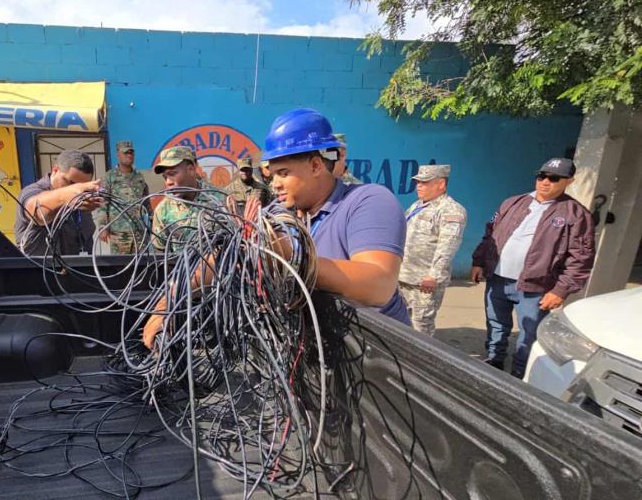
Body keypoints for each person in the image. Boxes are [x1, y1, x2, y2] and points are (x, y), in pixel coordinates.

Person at [143, 109, 410, 348]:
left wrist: (285, 256)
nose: (275, 185)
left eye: (283, 173)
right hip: (319, 354)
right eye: (272, 176)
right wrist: (166, 307)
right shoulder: (281, 213)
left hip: (376, 362)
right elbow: (221, 259)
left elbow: (378, 284)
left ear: (316, 165)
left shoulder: (367, 201)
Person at [470, 157, 595, 378]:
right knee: (496, 324)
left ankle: (520, 372)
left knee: (529, 333)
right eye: (542, 176)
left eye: (554, 178)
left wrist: (560, 290)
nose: (545, 182)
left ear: (569, 181)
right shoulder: (513, 203)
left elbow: (581, 258)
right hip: (498, 278)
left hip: (536, 286)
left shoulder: (575, 214)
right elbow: (491, 235)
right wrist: (479, 261)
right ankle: (494, 360)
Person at [398, 164, 467, 335]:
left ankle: (421, 360)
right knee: (400, 322)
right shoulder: (417, 205)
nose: (419, 186)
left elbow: (448, 245)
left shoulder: (451, 210)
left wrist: (433, 275)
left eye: (425, 182)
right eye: (418, 182)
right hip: (404, 276)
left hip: (424, 282)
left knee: (421, 326)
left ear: (441, 184)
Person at [13, 149, 102, 256]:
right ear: (55, 170)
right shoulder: (32, 192)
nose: (77, 190)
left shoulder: (81, 197)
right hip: (39, 269)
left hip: (76, 268)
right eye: (70, 183)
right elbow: (37, 211)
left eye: (82, 186)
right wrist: (68, 196)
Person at [151, 145, 223, 252]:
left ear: (190, 170)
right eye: (165, 177)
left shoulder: (220, 201)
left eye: (172, 174)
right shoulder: (163, 210)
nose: (168, 182)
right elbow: (160, 256)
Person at [95, 141, 151, 254]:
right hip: (119, 233)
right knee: (121, 266)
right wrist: (102, 227)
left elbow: (146, 204)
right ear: (118, 155)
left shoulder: (139, 177)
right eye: (126, 153)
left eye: (131, 153)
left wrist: (151, 224)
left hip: (139, 231)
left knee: (142, 266)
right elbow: (102, 204)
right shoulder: (109, 177)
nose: (129, 155)